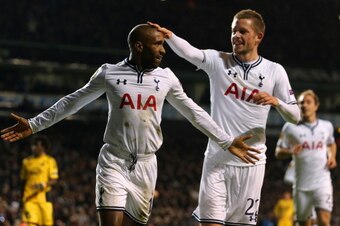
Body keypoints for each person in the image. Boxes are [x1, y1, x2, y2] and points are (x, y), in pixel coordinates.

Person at [1, 24, 260, 226]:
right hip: (114, 160)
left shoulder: (166, 77)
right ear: (139, 46)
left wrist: (226, 140)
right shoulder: (109, 73)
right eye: (157, 44)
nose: (163, 49)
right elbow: (73, 102)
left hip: (147, 165)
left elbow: (193, 112)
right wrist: (34, 124)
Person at [149, 8, 301, 226]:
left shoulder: (275, 71)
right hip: (217, 159)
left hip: (251, 163)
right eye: (233, 31)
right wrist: (170, 36)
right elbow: (190, 52)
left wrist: (276, 102)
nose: (235, 36)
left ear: (259, 36)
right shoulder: (217, 61)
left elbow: (295, 116)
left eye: (242, 31)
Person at [275, 89, 337, 226]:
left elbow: (331, 144)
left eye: (308, 102)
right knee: (304, 223)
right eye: (301, 103)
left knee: (324, 220)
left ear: (316, 105)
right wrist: (290, 150)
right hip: (301, 185)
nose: (304, 105)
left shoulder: (326, 126)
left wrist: (332, 156)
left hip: (322, 182)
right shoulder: (290, 127)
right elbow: (278, 152)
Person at [20, 135, 58, 226]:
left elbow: (54, 179)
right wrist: (22, 197)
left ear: (43, 147)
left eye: (36, 145)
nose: (33, 147)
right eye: (32, 145)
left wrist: (43, 185)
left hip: (44, 198)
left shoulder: (50, 161)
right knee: (30, 223)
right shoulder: (26, 162)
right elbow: (23, 181)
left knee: (47, 224)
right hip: (29, 198)